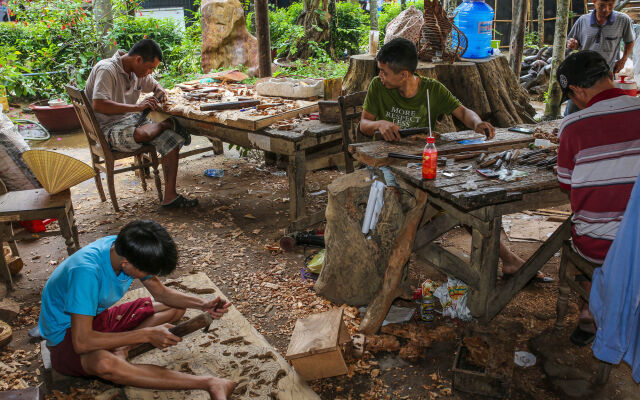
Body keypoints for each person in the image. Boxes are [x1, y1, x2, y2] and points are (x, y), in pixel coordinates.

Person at [360, 38, 550, 282]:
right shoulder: (378, 87)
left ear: (404, 74)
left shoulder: (431, 90)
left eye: (384, 72)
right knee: (395, 198)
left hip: (423, 159)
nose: (380, 76)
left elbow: (462, 112)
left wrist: (477, 123)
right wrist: (379, 123)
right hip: (389, 160)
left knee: (464, 198)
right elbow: (364, 125)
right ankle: (391, 267)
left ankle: (508, 259)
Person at [38, 220, 235, 399]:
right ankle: (210, 383)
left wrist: (203, 304)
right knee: (106, 365)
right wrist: (145, 335)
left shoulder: (123, 247)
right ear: (127, 263)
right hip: (66, 336)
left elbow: (161, 294)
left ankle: (122, 347)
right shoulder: (86, 273)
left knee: (176, 308)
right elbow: (82, 342)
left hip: (94, 318)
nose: (149, 276)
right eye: (147, 272)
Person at [556, 50, 640, 346]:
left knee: (583, 227)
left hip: (600, 246)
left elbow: (565, 183)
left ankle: (589, 315)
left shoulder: (573, 126)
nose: (573, 103)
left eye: (571, 97)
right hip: (638, 241)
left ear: (577, 90)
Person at [84, 39, 197, 209]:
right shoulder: (107, 69)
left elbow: (154, 84)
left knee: (171, 140)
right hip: (106, 129)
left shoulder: (137, 71)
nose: (150, 72)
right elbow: (99, 104)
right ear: (138, 59)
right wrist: (137, 107)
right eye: (150, 67)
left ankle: (170, 198)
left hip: (130, 121)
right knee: (139, 134)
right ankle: (165, 124)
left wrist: (159, 90)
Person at [565, 0, 635, 114]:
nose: (606, 9)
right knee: (574, 108)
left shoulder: (623, 20)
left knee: (605, 108)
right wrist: (572, 43)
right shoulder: (583, 21)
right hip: (583, 73)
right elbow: (570, 41)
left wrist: (623, 60)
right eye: (602, 5)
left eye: (611, 5)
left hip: (606, 75)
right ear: (594, 2)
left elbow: (630, 41)